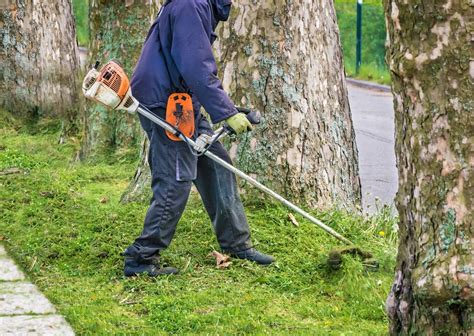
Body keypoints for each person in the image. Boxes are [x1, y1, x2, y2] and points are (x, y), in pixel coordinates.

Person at [123, 0, 274, 277]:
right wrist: (226, 112)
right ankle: (141, 258)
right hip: (165, 101)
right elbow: (196, 65)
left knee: (217, 164)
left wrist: (221, 108)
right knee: (176, 178)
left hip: (180, 101)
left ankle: (236, 244)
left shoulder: (199, 5)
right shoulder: (190, 4)